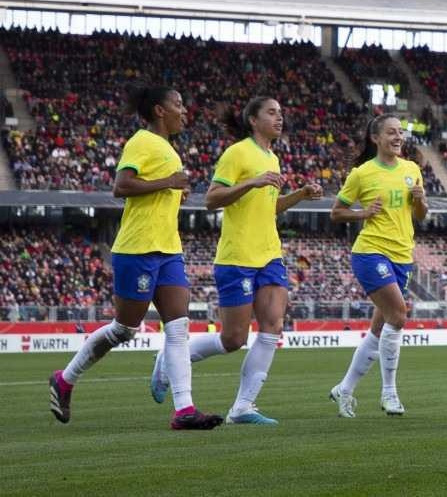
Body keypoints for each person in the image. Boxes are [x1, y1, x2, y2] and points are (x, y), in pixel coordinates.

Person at [50, 84, 222, 430]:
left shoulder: (167, 148)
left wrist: (174, 188)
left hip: (168, 248)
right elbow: (121, 187)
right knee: (124, 329)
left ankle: (184, 410)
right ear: (159, 110)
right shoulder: (142, 141)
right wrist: (168, 182)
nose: (184, 110)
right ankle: (65, 379)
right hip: (138, 248)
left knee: (178, 327)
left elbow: (159, 190)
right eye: (178, 103)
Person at [159, 96, 322, 425]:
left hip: (270, 254)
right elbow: (211, 199)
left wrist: (300, 195)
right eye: (272, 113)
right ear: (253, 120)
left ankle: (243, 406)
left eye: (281, 112)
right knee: (234, 339)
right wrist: (251, 181)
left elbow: (269, 208)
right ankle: (166, 360)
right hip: (238, 256)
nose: (279, 118)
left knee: (273, 325)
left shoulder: (272, 158)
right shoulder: (238, 153)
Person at [329, 115, 427, 418]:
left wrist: (421, 200)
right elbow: (336, 212)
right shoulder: (362, 174)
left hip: (402, 256)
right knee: (398, 314)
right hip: (370, 252)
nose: (398, 137)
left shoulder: (412, 170)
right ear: (376, 138)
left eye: (400, 133)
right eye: (391, 133)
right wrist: (362, 213)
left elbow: (420, 216)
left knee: (380, 327)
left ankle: (344, 389)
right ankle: (389, 393)